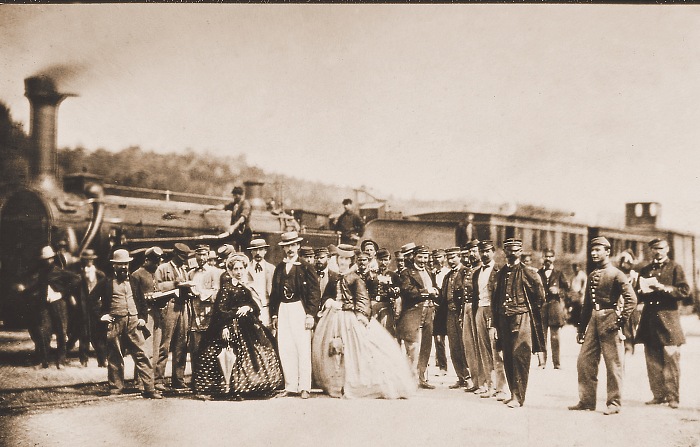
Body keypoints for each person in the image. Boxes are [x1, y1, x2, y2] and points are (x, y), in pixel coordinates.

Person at [312, 244, 415, 399]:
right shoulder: (334, 278)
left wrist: (360, 316)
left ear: (351, 261)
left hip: (351, 318)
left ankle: (356, 382)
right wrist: (330, 302)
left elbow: (362, 300)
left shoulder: (355, 278)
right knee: (334, 351)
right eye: (341, 258)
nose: (343, 262)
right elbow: (326, 296)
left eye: (347, 259)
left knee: (356, 350)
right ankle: (337, 384)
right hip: (333, 317)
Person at [193, 253, 283, 399]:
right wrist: (225, 326)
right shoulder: (226, 287)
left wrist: (248, 307)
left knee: (262, 348)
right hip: (230, 324)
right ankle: (231, 387)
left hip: (248, 324)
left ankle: (254, 386)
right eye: (236, 269)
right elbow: (221, 310)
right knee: (232, 354)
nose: (239, 272)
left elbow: (255, 305)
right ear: (231, 270)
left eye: (241, 268)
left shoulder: (247, 286)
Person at [569, 237, 636, 415]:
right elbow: (587, 306)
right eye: (592, 250)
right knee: (584, 362)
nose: (594, 253)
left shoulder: (617, 274)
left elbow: (632, 300)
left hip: (610, 319)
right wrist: (581, 329)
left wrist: (619, 321)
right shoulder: (592, 274)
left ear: (608, 252)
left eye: (598, 250)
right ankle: (586, 401)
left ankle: (614, 403)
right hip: (593, 320)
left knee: (613, 364)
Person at [96, 249, 162, 399]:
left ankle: (149, 388)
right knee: (115, 356)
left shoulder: (133, 281)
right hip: (115, 322)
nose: (124, 267)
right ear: (114, 266)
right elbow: (91, 300)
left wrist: (143, 317)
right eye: (120, 264)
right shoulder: (106, 282)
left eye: (125, 264)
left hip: (133, 322)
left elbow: (142, 302)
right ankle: (116, 388)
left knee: (142, 355)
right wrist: (102, 315)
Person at [635, 238, 690, 409]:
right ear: (650, 251)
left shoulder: (675, 267)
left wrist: (664, 288)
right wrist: (639, 289)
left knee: (671, 360)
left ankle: (673, 397)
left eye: (660, 248)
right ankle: (658, 395)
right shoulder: (645, 269)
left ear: (667, 249)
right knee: (652, 360)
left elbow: (684, 291)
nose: (657, 252)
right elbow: (640, 296)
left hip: (669, 321)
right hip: (650, 320)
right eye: (654, 249)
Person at [492, 238, 546, 408]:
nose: (512, 253)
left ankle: (518, 396)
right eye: (508, 250)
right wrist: (495, 323)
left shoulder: (529, 272)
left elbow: (540, 297)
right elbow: (495, 300)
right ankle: (513, 392)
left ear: (520, 251)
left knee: (519, 355)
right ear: (504, 252)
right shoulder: (500, 273)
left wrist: (525, 312)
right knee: (507, 355)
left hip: (521, 318)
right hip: (503, 319)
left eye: (515, 250)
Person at [269, 231, 321, 399]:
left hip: (300, 308)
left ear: (298, 246)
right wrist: (274, 315)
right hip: (284, 309)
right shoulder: (279, 268)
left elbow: (314, 292)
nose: (290, 249)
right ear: (283, 248)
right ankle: (290, 385)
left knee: (303, 347)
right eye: (287, 246)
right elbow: (274, 294)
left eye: (293, 245)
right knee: (286, 347)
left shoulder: (306, 267)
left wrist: (310, 314)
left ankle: (304, 386)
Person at [27, 246, 81, 369]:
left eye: (48, 259)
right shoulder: (42, 272)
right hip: (45, 305)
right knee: (44, 332)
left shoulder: (58, 270)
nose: (46, 261)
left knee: (61, 333)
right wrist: (25, 291)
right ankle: (43, 361)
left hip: (59, 304)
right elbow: (37, 287)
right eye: (44, 259)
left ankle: (61, 361)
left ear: (52, 259)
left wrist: (63, 292)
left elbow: (77, 279)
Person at [397, 246, 438, 389]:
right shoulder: (407, 272)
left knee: (426, 345)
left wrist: (436, 292)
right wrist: (426, 291)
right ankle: (409, 379)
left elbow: (434, 287)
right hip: (413, 311)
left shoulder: (429, 271)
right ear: (414, 256)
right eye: (420, 257)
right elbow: (407, 290)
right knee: (412, 346)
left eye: (425, 257)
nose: (423, 260)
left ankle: (421, 377)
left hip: (428, 311)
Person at [154, 243, 193, 390]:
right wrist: (174, 284)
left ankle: (178, 378)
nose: (184, 260)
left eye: (186, 257)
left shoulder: (184, 269)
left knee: (181, 345)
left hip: (183, 307)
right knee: (165, 344)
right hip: (169, 307)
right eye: (182, 257)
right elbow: (157, 286)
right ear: (175, 255)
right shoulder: (163, 268)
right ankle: (158, 379)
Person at [472, 240, 507, 400]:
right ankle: (489, 385)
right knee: (484, 350)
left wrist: (498, 318)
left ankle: (501, 388)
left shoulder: (500, 270)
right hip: (480, 309)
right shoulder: (477, 272)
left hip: (493, 311)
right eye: (481, 251)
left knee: (496, 350)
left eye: (487, 251)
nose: (484, 254)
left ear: (493, 252)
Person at [131, 246, 164, 389]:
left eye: (158, 262)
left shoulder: (154, 273)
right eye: (154, 262)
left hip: (157, 313)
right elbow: (134, 297)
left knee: (155, 350)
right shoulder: (137, 275)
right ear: (146, 260)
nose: (157, 265)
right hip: (146, 315)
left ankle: (150, 381)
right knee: (145, 350)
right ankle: (140, 382)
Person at [441, 247, 471, 389]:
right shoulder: (447, 276)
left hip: (461, 313)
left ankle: (470, 377)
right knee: (454, 346)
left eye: (453, 257)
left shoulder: (466, 272)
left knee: (464, 344)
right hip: (449, 313)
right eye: (449, 258)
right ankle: (461, 377)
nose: (451, 260)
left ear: (460, 257)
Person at [69, 249, 105, 367]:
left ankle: (101, 360)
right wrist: (73, 298)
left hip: (96, 307)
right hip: (83, 307)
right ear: (83, 261)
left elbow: (105, 290)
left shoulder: (100, 275)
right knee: (84, 334)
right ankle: (83, 360)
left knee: (98, 334)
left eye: (91, 259)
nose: (89, 261)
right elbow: (72, 289)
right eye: (87, 260)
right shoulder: (79, 275)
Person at [537, 249, 570, 370]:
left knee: (555, 336)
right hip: (542, 307)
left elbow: (567, 289)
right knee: (542, 335)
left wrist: (558, 291)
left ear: (554, 258)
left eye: (550, 257)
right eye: (545, 256)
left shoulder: (558, 273)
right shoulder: (538, 273)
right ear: (542, 258)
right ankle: (542, 362)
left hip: (554, 305)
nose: (548, 259)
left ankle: (557, 363)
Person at [187, 244, 219, 364]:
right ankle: (196, 379)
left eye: (204, 254)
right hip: (194, 317)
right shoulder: (191, 273)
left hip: (209, 316)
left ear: (208, 255)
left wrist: (200, 294)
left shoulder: (214, 272)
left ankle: (209, 380)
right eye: (198, 254)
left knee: (209, 349)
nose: (201, 257)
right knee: (195, 349)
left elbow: (216, 293)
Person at [461, 240, 482, 393]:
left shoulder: (483, 269)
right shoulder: (469, 269)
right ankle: (476, 381)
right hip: (467, 307)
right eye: (470, 251)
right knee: (469, 345)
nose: (472, 254)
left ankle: (485, 382)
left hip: (478, 307)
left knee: (479, 345)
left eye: (475, 251)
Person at [372, 249, 401, 337]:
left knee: (386, 331)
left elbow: (398, 293)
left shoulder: (393, 275)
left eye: (386, 260)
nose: (383, 262)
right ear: (376, 259)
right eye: (380, 260)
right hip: (373, 306)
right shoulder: (371, 274)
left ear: (389, 260)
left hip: (386, 306)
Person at [246, 238, 275, 327]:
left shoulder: (272, 269)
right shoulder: (245, 269)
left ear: (265, 251)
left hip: (268, 309)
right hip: (252, 310)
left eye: (261, 249)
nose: (258, 253)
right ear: (251, 252)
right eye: (255, 250)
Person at [618, 250, 641, 355]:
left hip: (632, 304)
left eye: (626, 262)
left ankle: (631, 345)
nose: (623, 264)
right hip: (621, 303)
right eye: (622, 262)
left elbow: (638, 290)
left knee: (632, 325)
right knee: (623, 326)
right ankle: (626, 347)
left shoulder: (634, 276)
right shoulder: (618, 275)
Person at [431, 249, 449, 375]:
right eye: (435, 257)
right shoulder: (431, 273)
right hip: (434, 307)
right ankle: (441, 365)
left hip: (445, 308)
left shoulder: (447, 273)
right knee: (437, 338)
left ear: (445, 258)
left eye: (440, 257)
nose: (437, 259)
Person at [224, 186, 252, 251]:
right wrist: (210, 208)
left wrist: (233, 227)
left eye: (235, 195)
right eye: (233, 195)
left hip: (245, 232)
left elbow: (243, 218)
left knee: (245, 250)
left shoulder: (245, 204)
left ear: (240, 195)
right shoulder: (235, 204)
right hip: (237, 232)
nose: (234, 197)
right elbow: (224, 207)